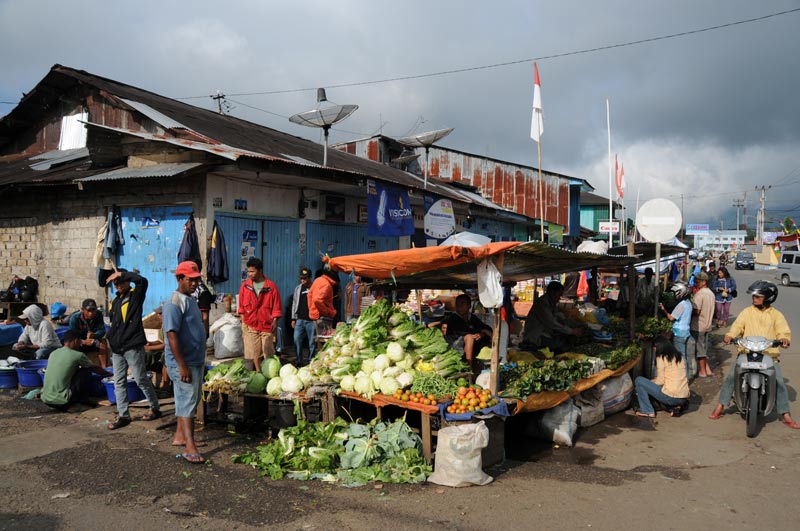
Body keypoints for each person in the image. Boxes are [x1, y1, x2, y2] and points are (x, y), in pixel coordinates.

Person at [709, 280, 800, 429]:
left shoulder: (777, 315)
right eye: (753, 296)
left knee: (779, 383)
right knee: (732, 377)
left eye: (758, 296)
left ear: (768, 298)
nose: (754, 299)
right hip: (747, 353)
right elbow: (737, 326)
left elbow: (783, 330)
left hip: (769, 355)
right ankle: (720, 406)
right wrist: (730, 335)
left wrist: (784, 339)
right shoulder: (747, 312)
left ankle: (785, 415)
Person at [163, 261, 208, 463]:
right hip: (184, 362)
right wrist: (181, 364)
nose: (194, 283)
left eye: (197, 279)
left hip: (194, 359)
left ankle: (180, 436)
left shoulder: (189, 299)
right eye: (190, 279)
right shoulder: (174, 302)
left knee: (190, 399)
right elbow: (172, 334)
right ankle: (190, 446)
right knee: (187, 402)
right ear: (180, 278)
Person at [105, 268, 161, 430]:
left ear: (127, 281)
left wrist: (122, 274)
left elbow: (142, 281)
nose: (118, 285)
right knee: (119, 381)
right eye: (116, 283)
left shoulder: (135, 296)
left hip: (132, 346)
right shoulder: (116, 301)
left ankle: (155, 407)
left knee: (140, 379)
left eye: (121, 281)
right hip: (117, 348)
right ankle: (123, 415)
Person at [41, 330, 111, 411]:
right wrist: (109, 374)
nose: (80, 344)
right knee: (86, 371)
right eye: (80, 341)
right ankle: (81, 400)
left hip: (46, 399)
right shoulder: (77, 355)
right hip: (62, 401)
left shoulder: (54, 353)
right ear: (75, 341)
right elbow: (95, 368)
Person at [238, 257, 282, 373]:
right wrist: (243, 321)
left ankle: (268, 373)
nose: (250, 274)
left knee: (268, 351)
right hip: (250, 324)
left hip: (267, 325)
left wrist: (275, 321)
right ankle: (259, 372)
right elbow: (241, 306)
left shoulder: (271, 287)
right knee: (254, 351)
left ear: (260, 271)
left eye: (252, 271)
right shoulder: (245, 286)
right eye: (248, 271)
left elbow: (276, 307)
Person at [634, 337, 690, 418]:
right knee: (662, 393)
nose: (654, 349)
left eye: (654, 347)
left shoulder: (661, 358)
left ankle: (647, 411)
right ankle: (676, 407)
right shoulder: (679, 357)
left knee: (639, 381)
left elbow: (660, 381)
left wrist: (651, 382)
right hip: (683, 397)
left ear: (660, 347)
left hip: (671, 397)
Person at [521, 281, 581, 354]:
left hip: (545, 333)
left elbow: (558, 316)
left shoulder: (551, 302)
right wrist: (571, 331)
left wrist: (570, 322)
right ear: (552, 292)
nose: (559, 298)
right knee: (561, 345)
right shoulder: (542, 303)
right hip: (535, 336)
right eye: (559, 295)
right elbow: (552, 323)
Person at [441, 293, 492, 371]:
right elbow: (463, 331)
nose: (459, 306)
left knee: (488, 334)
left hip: (470, 344)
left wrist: (482, 333)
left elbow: (486, 328)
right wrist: (479, 332)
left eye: (462, 303)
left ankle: (489, 365)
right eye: (457, 304)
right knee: (469, 337)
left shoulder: (472, 317)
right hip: (454, 345)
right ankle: (469, 369)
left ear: (469, 306)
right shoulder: (452, 318)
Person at [659, 281, 694, 382]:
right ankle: (686, 377)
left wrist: (663, 309)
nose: (674, 295)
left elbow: (671, 318)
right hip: (686, 332)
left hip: (679, 334)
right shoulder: (689, 303)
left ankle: (683, 379)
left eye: (675, 293)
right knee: (684, 357)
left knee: (681, 358)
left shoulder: (681, 305)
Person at [68, 298, 110, 367]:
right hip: (80, 342)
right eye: (88, 311)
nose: (91, 313)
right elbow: (72, 336)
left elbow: (102, 330)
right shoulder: (75, 318)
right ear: (82, 309)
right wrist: (82, 341)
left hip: (93, 340)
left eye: (93, 310)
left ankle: (104, 367)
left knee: (103, 342)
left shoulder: (98, 314)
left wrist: (94, 335)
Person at [689, 271, 715, 377]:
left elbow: (697, 311)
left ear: (704, 282)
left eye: (697, 281)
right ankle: (707, 370)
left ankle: (703, 372)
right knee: (702, 349)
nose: (695, 283)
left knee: (699, 350)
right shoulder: (711, 293)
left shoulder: (700, 294)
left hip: (698, 325)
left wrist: (688, 309)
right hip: (707, 325)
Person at [291, 267, 315, 366]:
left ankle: (311, 361)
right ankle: (299, 361)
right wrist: (293, 318)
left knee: (311, 342)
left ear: (310, 277)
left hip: (311, 320)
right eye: (301, 278)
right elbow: (294, 303)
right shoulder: (298, 288)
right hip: (299, 319)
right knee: (296, 339)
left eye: (304, 278)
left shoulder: (315, 288)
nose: (302, 280)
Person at [143, 305, 170, 392]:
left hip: (170, 351)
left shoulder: (169, 325)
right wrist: (150, 343)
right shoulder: (162, 325)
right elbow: (161, 341)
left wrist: (150, 347)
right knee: (146, 355)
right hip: (164, 348)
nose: (158, 316)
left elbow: (166, 344)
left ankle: (166, 386)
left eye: (160, 314)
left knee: (165, 357)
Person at [308, 269, 339, 338]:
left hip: (315, 315)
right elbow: (317, 300)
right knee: (324, 339)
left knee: (316, 339)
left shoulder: (317, 280)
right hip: (322, 317)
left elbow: (309, 295)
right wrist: (326, 312)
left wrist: (311, 309)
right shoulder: (327, 285)